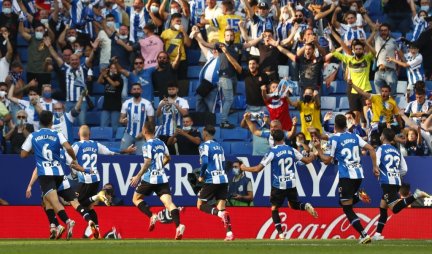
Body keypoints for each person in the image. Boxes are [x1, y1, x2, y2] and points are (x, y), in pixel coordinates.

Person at [20, 110, 89, 240]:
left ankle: (68, 221)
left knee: (54, 201)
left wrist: (36, 151)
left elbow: (23, 154)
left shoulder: (33, 136)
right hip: (58, 173)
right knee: (45, 200)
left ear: (40, 122)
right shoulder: (57, 134)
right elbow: (68, 148)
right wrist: (74, 159)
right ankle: (54, 226)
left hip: (45, 174)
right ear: (52, 121)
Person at [240, 129, 317, 240]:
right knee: (293, 205)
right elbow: (307, 161)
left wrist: (244, 168)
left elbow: (257, 169)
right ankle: (305, 206)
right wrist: (314, 155)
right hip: (291, 183)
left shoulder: (272, 152)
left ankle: (281, 235)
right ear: (283, 138)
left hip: (279, 185)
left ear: (273, 139)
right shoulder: (291, 150)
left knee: (274, 208)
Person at [314, 114, 378, 244]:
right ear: (345, 124)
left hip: (346, 176)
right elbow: (371, 148)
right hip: (359, 175)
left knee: (347, 208)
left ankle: (364, 234)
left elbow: (326, 161)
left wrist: (319, 149)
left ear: (335, 126)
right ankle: (358, 196)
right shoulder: (355, 136)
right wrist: (375, 167)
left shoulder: (335, 139)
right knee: (343, 202)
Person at [70, 125, 136, 238]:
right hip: (96, 179)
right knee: (90, 207)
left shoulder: (76, 146)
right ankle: (97, 232)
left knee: (77, 203)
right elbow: (111, 152)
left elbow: (67, 158)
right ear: (89, 135)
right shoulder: (95, 144)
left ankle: (98, 196)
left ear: (78, 135)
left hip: (85, 180)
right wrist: (126, 150)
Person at [372, 128, 430, 241]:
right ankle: (377, 234)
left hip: (387, 181)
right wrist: (395, 175)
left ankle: (416, 195)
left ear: (383, 137)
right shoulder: (397, 151)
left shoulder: (380, 149)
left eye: (381, 135)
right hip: (396, 181)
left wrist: (377, 170)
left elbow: (377, 164)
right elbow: (404, 169)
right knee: (383, 207)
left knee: (395, 209)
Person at [130, 122, 185, 240]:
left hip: (149, 178)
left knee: (136, 199)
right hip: (162, 178)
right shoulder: (161, 143)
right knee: (169, 203)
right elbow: (168, 158)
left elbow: (148, 162)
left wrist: (137, 176)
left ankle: (152, 215)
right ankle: (178, 226)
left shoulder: (146, 145)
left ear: (144, 131)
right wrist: (160, 167)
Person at [196, 125, 234, 241]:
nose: (202, 134)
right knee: (221, 207)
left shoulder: (204, 146)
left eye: (203, 132)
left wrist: (202, 176)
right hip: (223, 178)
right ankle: (229, 234)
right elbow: (223, 163)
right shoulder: (219, 146)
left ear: (206, 133)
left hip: (212, 179)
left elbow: (205, 162)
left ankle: (219, 214)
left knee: (200, 205)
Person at [349, 82, 402, 146]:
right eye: (382, 91)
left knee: (391, 140)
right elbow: (362, 92)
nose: (384, 93)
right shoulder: (375, 97)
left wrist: (400, 126)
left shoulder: (392, 102)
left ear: (389, 92)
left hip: (386, 127)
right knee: (374, 144)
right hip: (376, 125)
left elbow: (397, 116)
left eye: (386, 91)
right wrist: (352, 84)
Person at [119, 83, 154, 155]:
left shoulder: (147, 104)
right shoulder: (126, 103)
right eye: (134, 89)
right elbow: (121, 119)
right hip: (128, 133)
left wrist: (143, 133)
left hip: (142, 134)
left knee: (142, 157)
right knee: (123, 154)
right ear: (131, 91)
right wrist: (122, 121)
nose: (136, 91)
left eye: (138, 89)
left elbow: (151, 121)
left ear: (141, 91)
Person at [156, 83, 189, 154]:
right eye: (169, 89)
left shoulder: (182, 101)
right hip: (164, 133)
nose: (171, 91)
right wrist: (160, 106)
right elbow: (157, 115)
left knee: (175, 154)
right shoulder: (163, 101)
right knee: (164, 155)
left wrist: (175, 104)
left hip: (177, 133)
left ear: (177, 90)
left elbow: (185, 114)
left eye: (173, 89)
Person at [97, 62, 123, 133]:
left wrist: (106, 76)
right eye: (111, 68)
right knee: (103, 127)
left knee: (115, 127)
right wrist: (102, 73)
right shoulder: (107, 78)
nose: (113, 69)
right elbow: (99, 81)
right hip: (106, 106)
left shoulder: (120, 79)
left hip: (116, 107)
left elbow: (114, 84)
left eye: (114, 68)